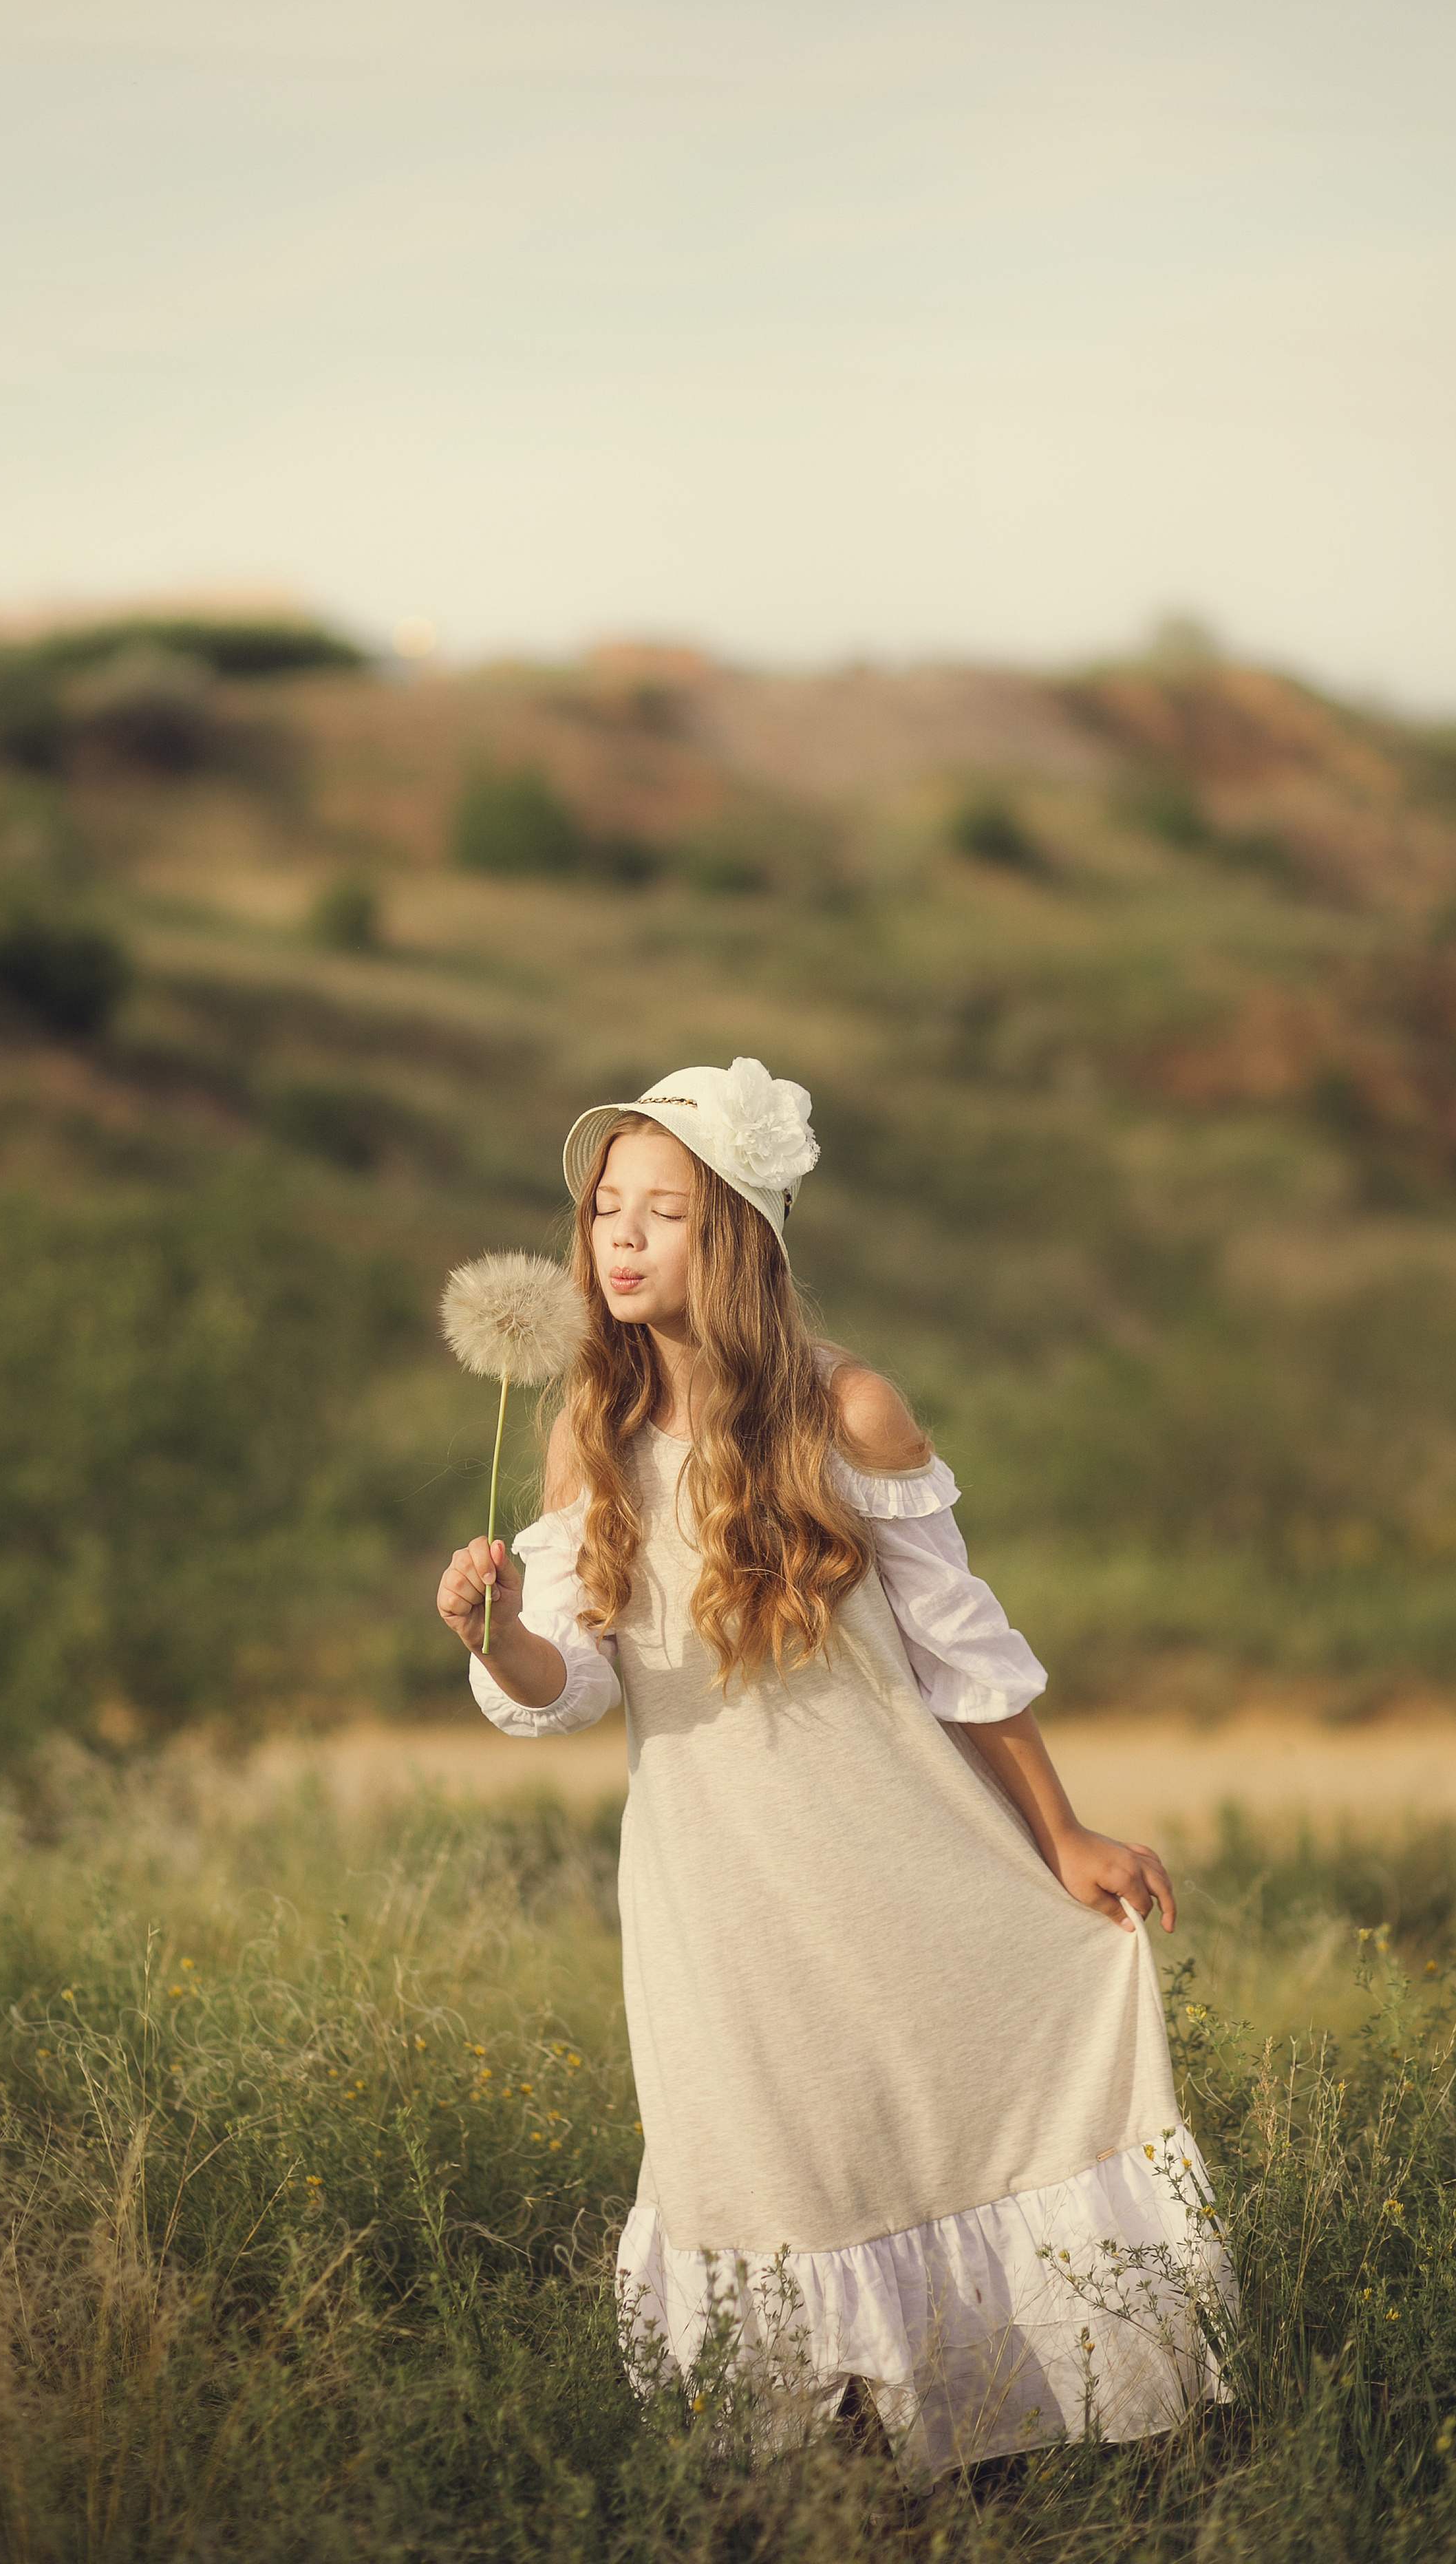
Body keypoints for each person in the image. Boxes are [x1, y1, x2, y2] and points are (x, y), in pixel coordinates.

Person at [436, 1058, 1231, 2475]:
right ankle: (823, 2499)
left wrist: (1062, 1836)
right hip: (714, 1903)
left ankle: (992, 2476)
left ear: (738, 1233)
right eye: (605, 1208)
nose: (620, 1237)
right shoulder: (586, 1434)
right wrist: (497, 1636)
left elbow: (965, 1660)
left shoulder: (848, 1411)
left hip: (896, 1868)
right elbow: (573, 1686)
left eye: (664, 1210)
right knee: (764, 2179)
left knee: (928, 2148)